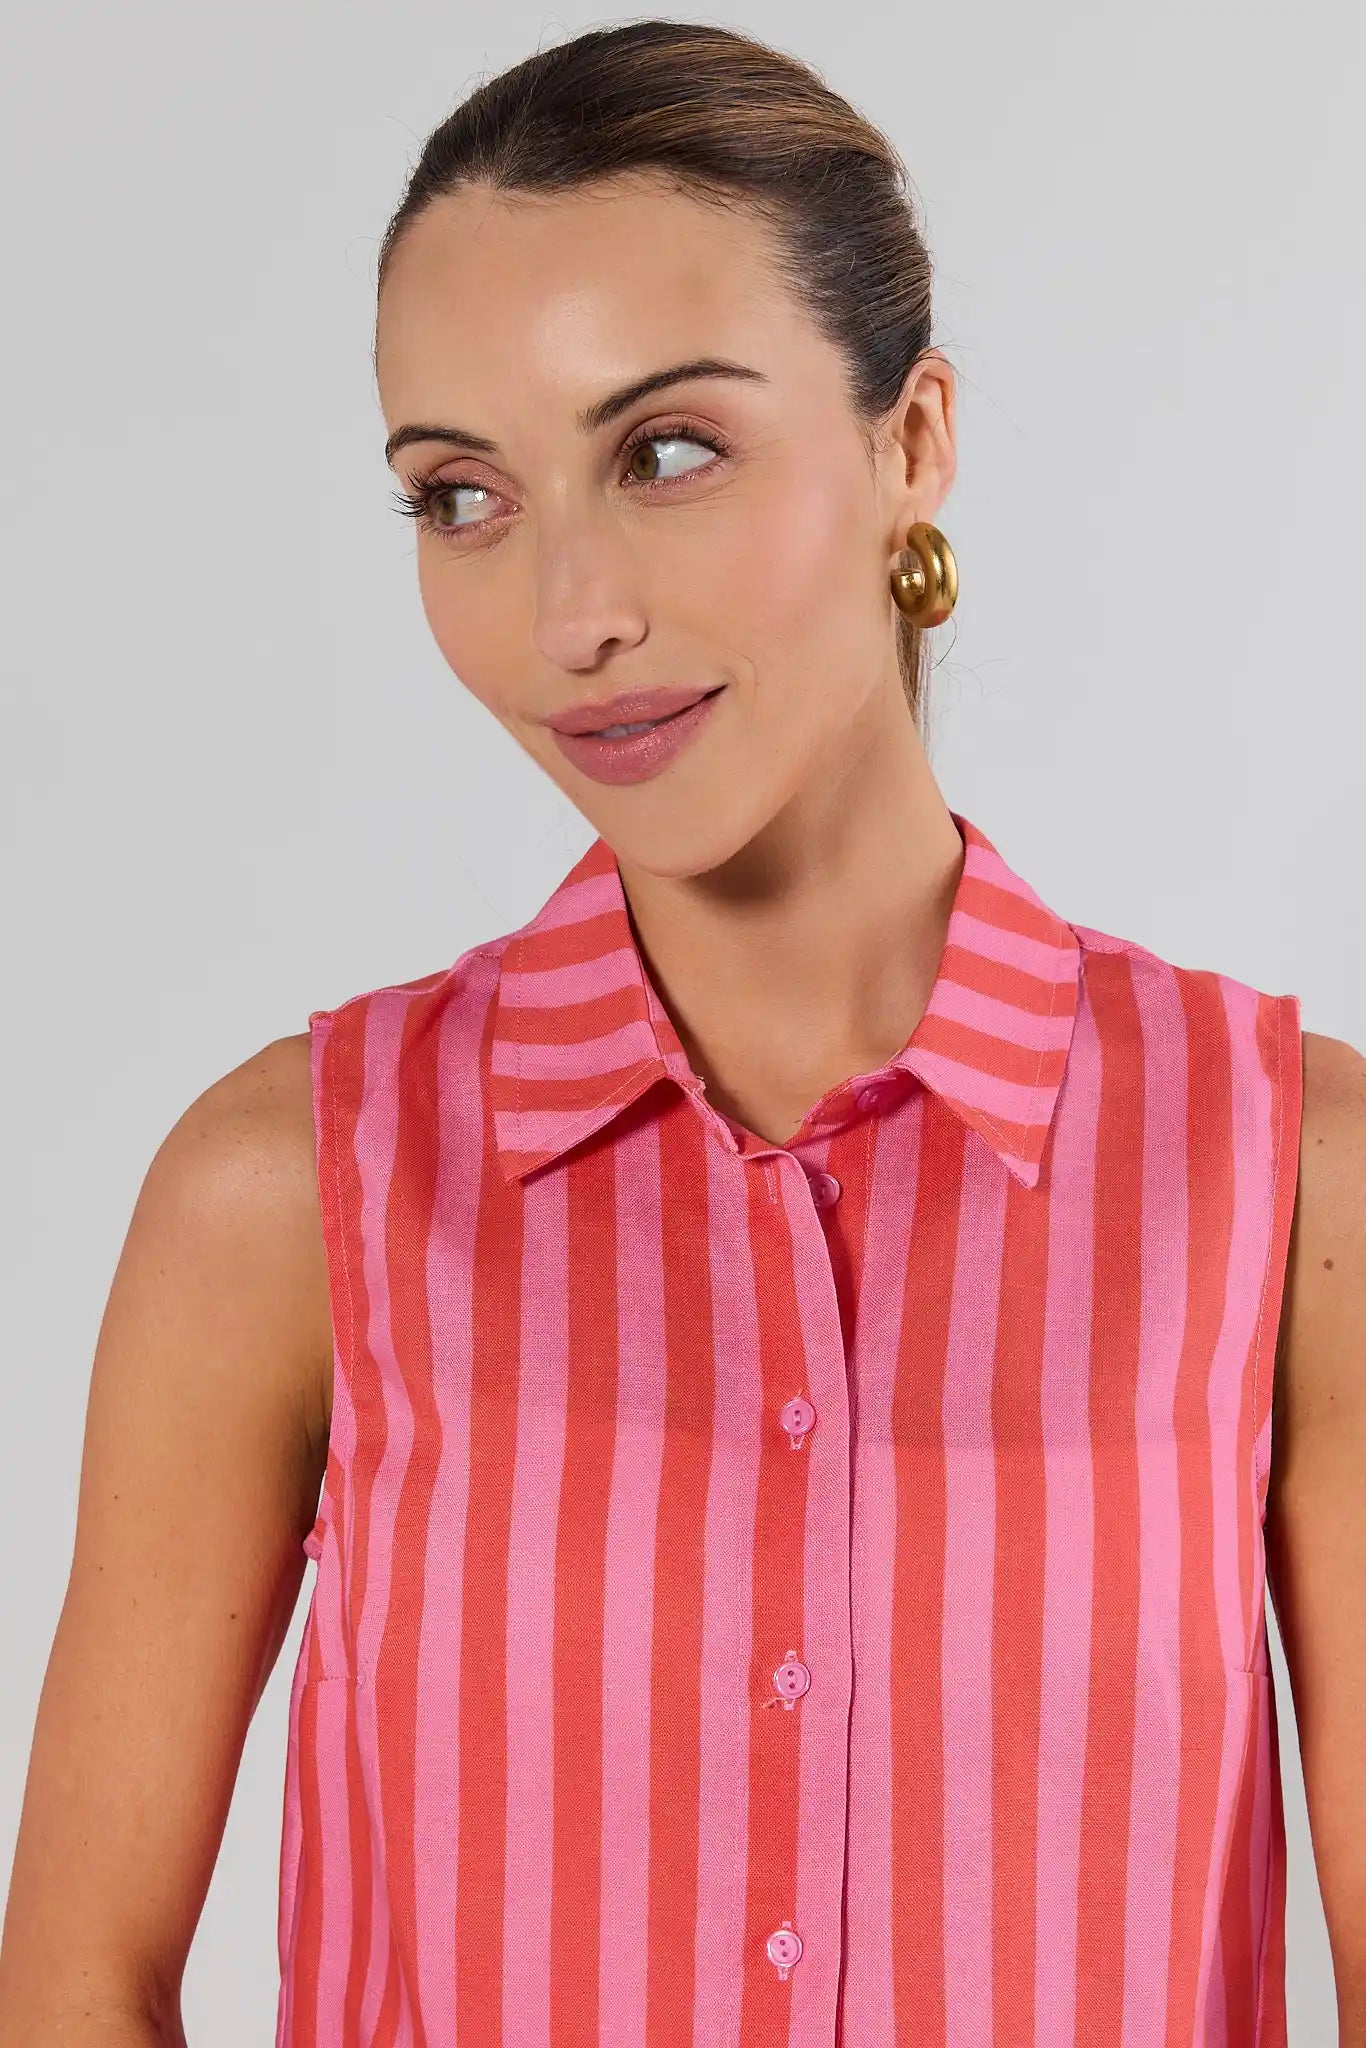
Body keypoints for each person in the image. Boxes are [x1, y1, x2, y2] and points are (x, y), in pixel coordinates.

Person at [1, 18, 1362, 2047]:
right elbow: (75, 1986)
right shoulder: (288, 1191)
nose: (565, 614)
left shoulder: (1284, 1175)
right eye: (458, 495)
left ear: (911, 440)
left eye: (662, 454)